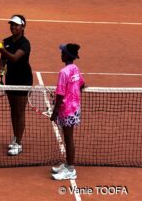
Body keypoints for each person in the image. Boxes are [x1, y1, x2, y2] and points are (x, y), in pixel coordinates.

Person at [0, 14, 33, 156]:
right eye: (11, 24)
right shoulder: (6, 41)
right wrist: (2, 69)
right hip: (10, 78)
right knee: (13, 110)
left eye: (16, 25)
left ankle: (18, 142)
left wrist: (3, 51)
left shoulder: (25, 43)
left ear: (23, 26)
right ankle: (15, 137)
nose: (13, 27)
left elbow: (14, 58)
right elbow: (3, 60)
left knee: (20, 111)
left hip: (23, 80)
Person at [50, 43, 85, 180]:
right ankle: (67, 165)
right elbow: (81, 84)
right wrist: (73, 95)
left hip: (66, 111)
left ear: (66, 55)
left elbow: (59, 94)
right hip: (75, 108)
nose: (61, 54)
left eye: (63, 52)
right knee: (68, 137)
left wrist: (55, 112)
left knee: (68, 138)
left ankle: (70, 169)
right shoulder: (75, 68)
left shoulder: (63, 72)